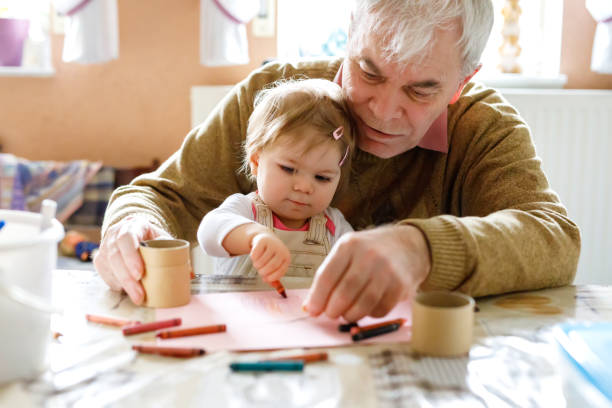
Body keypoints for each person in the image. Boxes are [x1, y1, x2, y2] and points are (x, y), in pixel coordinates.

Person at [95, 0, 580, 323]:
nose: (383, 111)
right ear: (350, 34)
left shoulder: (484, 128)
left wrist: (422, 249)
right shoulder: (278, 100)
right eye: (369, 71)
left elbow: (554, 240)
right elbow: (159, 194)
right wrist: (132, 225)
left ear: (461, 82)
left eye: (421, 89)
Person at [197, 78, 355, 284]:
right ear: (256, 161)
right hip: (244, 315)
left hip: (307, 315)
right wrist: (253, 236)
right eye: (289, 169)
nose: (305, 187)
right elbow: (208, 233)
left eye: (322, 177)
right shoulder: (246, 210)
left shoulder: (333, 226)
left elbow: (358, 262)